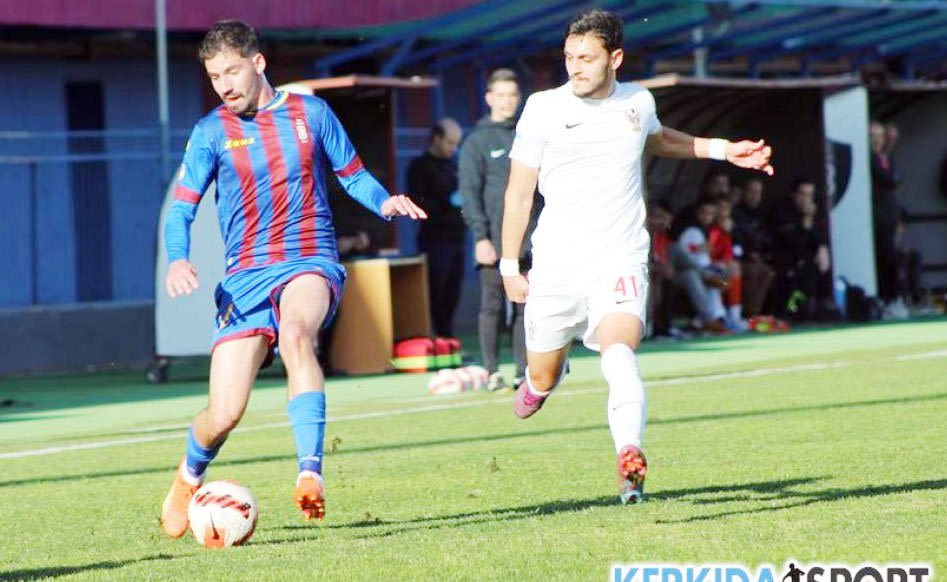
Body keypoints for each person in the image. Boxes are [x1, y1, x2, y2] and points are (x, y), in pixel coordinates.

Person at [159, 20, 426, 537]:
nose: (224, 85)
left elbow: (352, 176)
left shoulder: (312, 114)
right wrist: (177, 258)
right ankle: (188, 476)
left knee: (297, 335)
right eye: (214, 77)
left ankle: (309, 472)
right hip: (244, 277)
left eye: (232, 71)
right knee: (224, 413)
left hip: (309, 260)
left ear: (258, 63)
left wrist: (384, 202)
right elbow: (182, 208)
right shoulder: (212, 131)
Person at [499, 9, 772, 504]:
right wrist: (509, 265)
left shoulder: (638, 102)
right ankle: (544, 381)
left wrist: (722, 149)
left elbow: (658, 139)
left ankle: (630, 457)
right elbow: (519, 193)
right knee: (540, 375)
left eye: (586, 58)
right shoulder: (542, 108)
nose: (575, 67)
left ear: (615, 58)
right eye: (569, 57)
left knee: (619, 350)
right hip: (557, 265)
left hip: (619, 257)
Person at [459, 68, 539, 391]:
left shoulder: (529, 135)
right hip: (493, 240)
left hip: (530, 241)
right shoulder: (476, 141)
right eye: (501, 95)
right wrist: (480, 237)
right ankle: (492, 371)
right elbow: (469, 194)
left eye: (513, 95)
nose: (507, 102)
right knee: (491, 306)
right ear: (489, 98)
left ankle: (524, 373)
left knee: (527, 307)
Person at [408, 118, 465, 337]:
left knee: (453, 293)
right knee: (436, 292)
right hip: (435, 241)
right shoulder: (419, 167)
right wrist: (448, 201)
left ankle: (447, 338)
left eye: (456, 144)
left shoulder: (454, 166)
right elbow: (419, 203)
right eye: (450, 143)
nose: (453, 149)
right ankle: (435, 338)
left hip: (457, 239)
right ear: (436, 138)